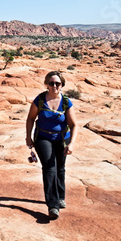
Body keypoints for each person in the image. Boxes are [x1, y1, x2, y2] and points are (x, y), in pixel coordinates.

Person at [25, 70, 77, 220]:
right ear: (47, 84)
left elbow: (74, 125)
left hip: (61, 139)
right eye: (51, 83)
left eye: (57, 83)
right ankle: (53, 205)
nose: (54, 86)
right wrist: (28, 136)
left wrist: (72, 143)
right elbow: (30, 119)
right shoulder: (40, 99)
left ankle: (61, 197)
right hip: (43, 137)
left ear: (62, 85)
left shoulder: (66, 102)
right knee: (49, 168)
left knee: (60, 168)